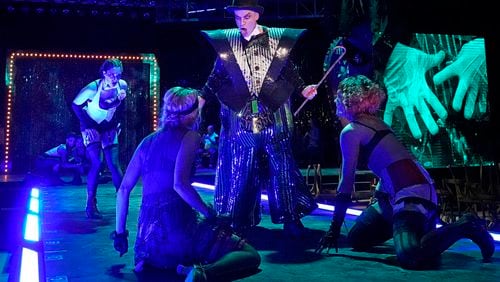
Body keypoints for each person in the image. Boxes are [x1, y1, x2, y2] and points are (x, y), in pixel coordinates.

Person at [315, 75, 495, 269]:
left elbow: (346, 182)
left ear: (346, 100)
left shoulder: (351, 131)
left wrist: (334, 228)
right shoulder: (378, 123)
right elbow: (391, 163)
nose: (335, 101)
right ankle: (414, 229)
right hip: (408, 191)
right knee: (358, 238)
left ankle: (466, 225)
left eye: (337, 96)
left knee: (410, 255)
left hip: (412, 194)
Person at [113, 86, 261, 281]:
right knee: (250, 255)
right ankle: (202, 273)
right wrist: (211, 215)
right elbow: (180, 184)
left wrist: (120, 234)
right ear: (191, 114)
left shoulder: (146, 141)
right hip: (178, 229)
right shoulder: (190, 136)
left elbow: (123, 190)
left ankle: (177, 264)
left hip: (149, 245)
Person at [199, 0, 318, 237]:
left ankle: (291, 217)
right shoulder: (229, 41)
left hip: (274, 111)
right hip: (239, 112)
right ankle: (235, 219)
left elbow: (288, 70)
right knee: (239, 164)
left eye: (247, 17)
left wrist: (304, 89)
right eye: (238, 17)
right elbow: (217, 75)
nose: (241, 23)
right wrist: (201, 98)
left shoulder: (275, 39)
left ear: (257, 16)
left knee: (281, 164)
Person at [72, 58, 127, 219]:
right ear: (104, 73)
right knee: (97, 162)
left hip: (109, 126)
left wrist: (118, 124)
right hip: (91, 124)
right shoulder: (92, 88)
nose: (115, 78)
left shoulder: (122, 86)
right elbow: (76, 105)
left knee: (114, 163)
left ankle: (122, 201)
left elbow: (118, 108)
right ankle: (91, 204)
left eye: (118, 75)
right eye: (111, 75)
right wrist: (87, 126)